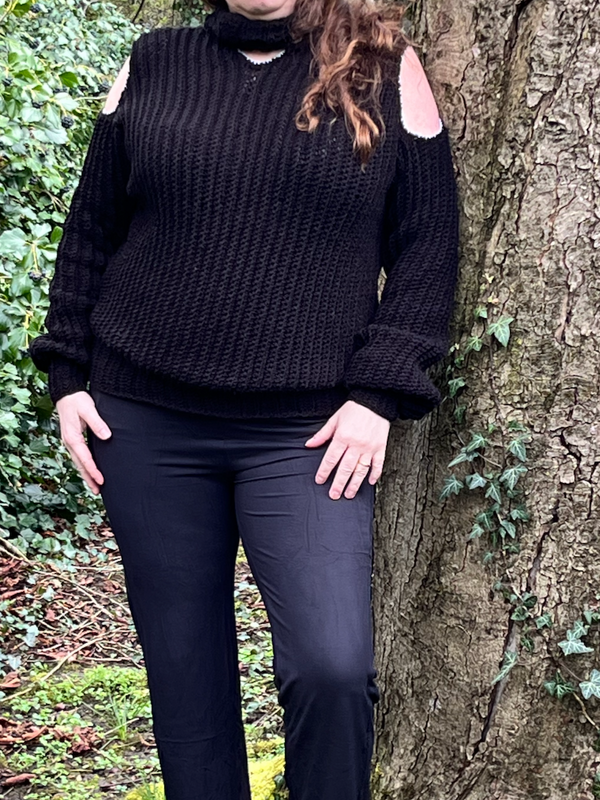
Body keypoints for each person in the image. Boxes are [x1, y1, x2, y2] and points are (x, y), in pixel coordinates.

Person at [27, 0, 460, 797]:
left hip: (310, 436)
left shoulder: (383, 69)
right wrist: (67, 376)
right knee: (185, 682)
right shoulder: (153, 61)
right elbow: (91, 229)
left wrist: (378, 393)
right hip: (145, 424)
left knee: (332, 669)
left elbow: (428, 245)